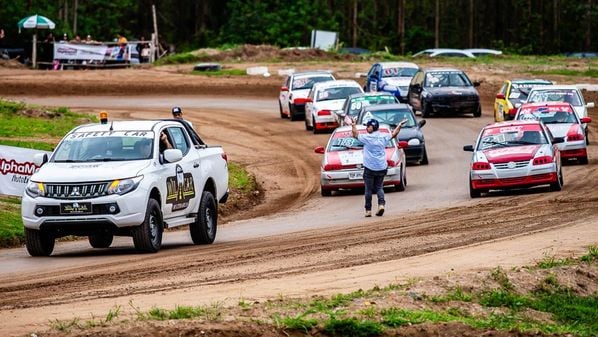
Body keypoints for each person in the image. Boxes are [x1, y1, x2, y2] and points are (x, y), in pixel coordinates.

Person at [351, 117, 407, 217]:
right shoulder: (383, 137)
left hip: (369, 167)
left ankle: (368, 210)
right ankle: (381, 205)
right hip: (381, 167)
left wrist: (353, 124)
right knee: (379, 187)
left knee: (368, 189)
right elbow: (394, 134)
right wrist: (399, 125)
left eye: (368, 126)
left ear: (373, 127)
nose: (367, 128)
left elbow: (355, 134)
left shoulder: (366, 138)